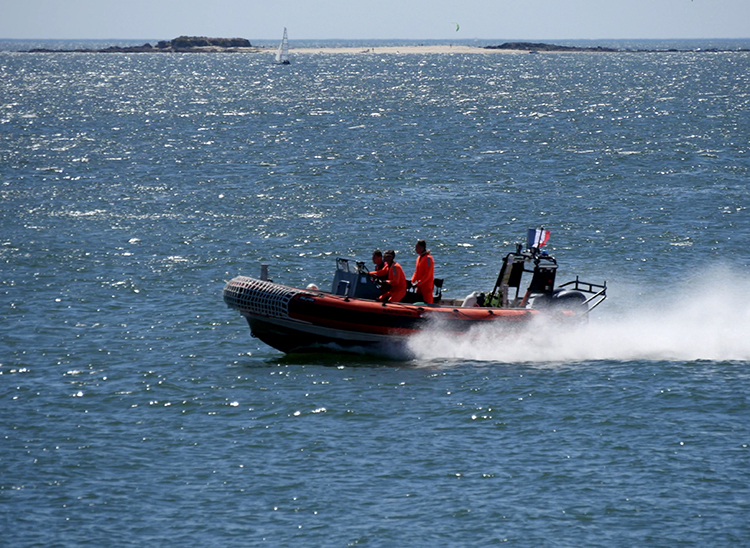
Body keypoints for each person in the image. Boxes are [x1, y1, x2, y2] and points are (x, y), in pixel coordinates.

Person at [411, 239, 434, 304]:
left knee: (428, 302)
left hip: (426, 286)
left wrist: (419, 283)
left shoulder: (428, 258)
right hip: (419, 287)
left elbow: (428, 274)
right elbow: (416, 272)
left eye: (417, 248)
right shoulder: (419, 258)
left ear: (422, 248)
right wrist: (412, 281)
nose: (415, 249)